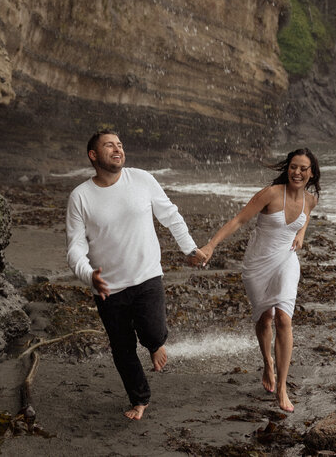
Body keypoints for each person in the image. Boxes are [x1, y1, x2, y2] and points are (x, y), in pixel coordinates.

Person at [66, 130, 207, 420]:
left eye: (120, 144)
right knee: (122, 349)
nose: (118, 149)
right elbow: (75, 248)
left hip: (147, 276)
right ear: (93, 155)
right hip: (107, 288)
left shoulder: (141, 179)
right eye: (109, 146)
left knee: (154, 332)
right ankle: (139, 399)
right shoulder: (80, 197)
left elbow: (170, 215)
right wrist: (88, 275)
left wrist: (189, 248)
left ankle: (155, 344)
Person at [197, 148, 321, 413]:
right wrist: (210, 246)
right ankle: (268, 363)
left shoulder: (311, 199)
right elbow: (239, 220)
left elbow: (306, 215)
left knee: (283, 319)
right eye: (293, 167)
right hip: (257, 264)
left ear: (311, 173)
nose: (297, 172)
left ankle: (283, 388)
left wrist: (301, 233)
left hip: (287, 260)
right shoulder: (271, 194)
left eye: (303, 169)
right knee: (264, 318)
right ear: (287, 168)